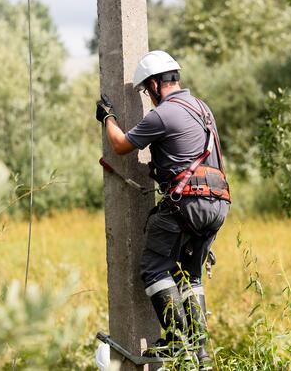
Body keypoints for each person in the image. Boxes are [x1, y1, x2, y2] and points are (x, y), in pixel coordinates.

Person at [95, 50, 230, 369]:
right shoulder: (201, 108)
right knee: (189, 275)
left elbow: (121, 145)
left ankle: (175, 338)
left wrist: (107, 117)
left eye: (146, 90)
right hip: (217, 204)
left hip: (188, 202)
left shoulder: (163, 114)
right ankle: (199, 350)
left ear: (155, 84)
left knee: (155, 268)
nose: (148, 97)